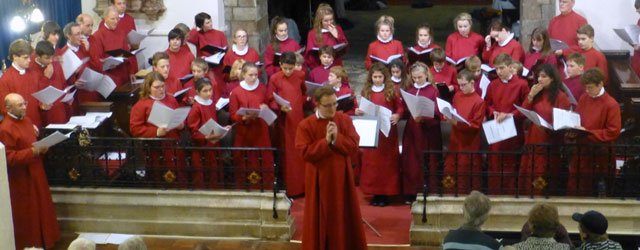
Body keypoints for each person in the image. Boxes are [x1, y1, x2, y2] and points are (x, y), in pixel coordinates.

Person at [295, 86, 367, 250]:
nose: (333, 108)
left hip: (342, 178)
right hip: (318, 179)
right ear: (317, 105)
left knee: (343, 217)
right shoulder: (306, 125)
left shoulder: (344, 120)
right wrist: (325, 142)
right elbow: (304, 153)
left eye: (335, 104)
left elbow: (354, 146)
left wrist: (336, 139)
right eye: (328, 105)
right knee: (320, 218)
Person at [0, 93, 60, 249]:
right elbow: (9, 158)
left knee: (43, 208)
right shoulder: (5, 129)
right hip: (22, 179)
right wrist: (33, 152)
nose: (25, 107)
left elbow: (33, 144)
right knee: (30, 214)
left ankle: (46, 241)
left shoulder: (27, 120)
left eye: (24, 103)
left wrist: (42, 148)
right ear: (8, 108)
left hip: (36, 171)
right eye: (20, 105)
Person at [567, 69, 621, 196]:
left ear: (600, 84)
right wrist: (572, 130)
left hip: (599, 155)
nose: (587, 91)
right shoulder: (584, 98)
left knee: (591, 191)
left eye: (590, 87)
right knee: (576, 188)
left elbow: (613, 131)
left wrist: (588, 132)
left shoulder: (611, 104)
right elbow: (577, 118)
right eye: (585, 87)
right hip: (581, 150)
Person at [355, 63, 403, 206]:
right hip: (372, 130)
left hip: (387, 132)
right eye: (374, 77)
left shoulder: (391, 90)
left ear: (385, 77)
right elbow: (362, 107)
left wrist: (397, 115)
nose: (377, 79)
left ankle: (385, 194)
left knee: (387, 163)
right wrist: (359, 111)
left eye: (380, 77)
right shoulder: (367, 91)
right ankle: (375, 193)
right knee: (372, 164)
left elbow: (400, 107)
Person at [519, 64, 571, 195]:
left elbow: (563, 120)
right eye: (538, 76)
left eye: (544, 76)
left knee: (542, 174)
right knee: (529, 171)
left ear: (552, 78)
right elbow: (523, 112)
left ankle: (540, 198)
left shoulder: (561, 96)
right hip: (533, 137)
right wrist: (530, 95)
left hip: (548, 139)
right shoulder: (536, 92)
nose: (540, 79)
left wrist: (549, 125)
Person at [129, 72, 186, 185]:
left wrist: (181, 125)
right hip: (155, 149)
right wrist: (156, 131)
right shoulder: (141, 105)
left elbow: (179, 117)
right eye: (156, 87)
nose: (161, 90)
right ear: (148, 87)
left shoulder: (171, 99)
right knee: (161, 179)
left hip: (174, 145)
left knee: (178, 176)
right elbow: (135, 129)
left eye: (162, 86)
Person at [484, 53, 529, 195]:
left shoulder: (522, 84)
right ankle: (494, 194)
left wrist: (510, 115)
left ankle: (510, 195)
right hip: (497, 129)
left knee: (510, 165)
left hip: (513, 131)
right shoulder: (493, 84)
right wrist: (493, 112)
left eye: (502, 68)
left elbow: (526, 108)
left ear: (511, 67)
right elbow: (487, 104)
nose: (498, 72)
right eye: (496, 69)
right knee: (494, 164)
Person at [228, 62, 274, 189]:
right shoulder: (236, 92)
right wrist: (243, 117)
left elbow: (268, 106)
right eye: (250, 75)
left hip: (260, 131)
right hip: (244, 132)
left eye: (256, 75)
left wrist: (265, 108)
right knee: (245, 162)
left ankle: (265, 188)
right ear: (243, 74)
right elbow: (232, 114)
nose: (254, 78)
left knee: (262, 160)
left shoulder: (263, 88)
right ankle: (245, 189)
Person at [401, 62, 442, 203]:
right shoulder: (411, 90)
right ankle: (411, 191)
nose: (417, 80)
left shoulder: (433, 91)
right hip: (412, 129)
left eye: (419, 77)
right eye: (414, 78)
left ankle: (427, 190)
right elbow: (406, 109)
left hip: (427, 131)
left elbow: (437, 113)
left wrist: (424, 118)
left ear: (426, 75)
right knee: (411, 160)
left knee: (427, 160)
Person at [268, 52, 306, 197]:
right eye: (286, 68)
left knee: (299, 152)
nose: (289, 71)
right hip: (284, 120)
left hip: (298, 118)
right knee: (287, 154)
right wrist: (279, 107)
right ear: (280, 65)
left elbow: (303, 93)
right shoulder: (274, 78)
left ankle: (302, 186)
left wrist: (305, 99)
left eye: (291, 68)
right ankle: (290, 187)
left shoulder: (300, 75)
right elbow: (270, 99)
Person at [442, 70, 486, 194]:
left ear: (472, 83)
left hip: (469, 143)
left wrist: (455, 122)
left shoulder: (479, 101)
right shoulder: (457, 95)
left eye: (463, 85)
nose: (460, 88)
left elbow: (475, 126)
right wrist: (447, 115)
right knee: (451, 172)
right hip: (455, 140)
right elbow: (454, 112)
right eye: (459, 85)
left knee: (466, 175)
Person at [186, 78, 228, 189]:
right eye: (205, 91)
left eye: (210, 90)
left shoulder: (211, 103)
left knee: (215, 174)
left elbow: (213, 123)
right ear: (197, 92)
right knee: (203, 176)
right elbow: (193, 131)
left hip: (213, 145)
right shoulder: (196, 108)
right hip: (201, 148)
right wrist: (205, 137)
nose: (209, 93)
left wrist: (222, 129)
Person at [0, 39, 47, 128]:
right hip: (20, 127)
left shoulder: (34, 74)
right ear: (15, 57)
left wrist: (43, 104)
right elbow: (6, 110)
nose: (29, 60)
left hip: (38, 123)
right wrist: (27, 125)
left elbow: (39, 97)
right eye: (25, 57)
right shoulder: (5, 80)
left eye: (30, 57)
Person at [89, 6, 134, 87]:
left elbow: (127, 53)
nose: (116, 21)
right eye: (113, 19)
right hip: (110, 77)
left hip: (123, 73)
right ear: (105, 19)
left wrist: (131, 72)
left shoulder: (121, 32)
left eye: (117, 19)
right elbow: (97, 60)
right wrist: (108, 64)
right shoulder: (98, 36)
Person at [31, 41, 69, 125]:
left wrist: (68, 95)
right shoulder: (31, 69)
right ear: (38, 56)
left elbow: (63, 84)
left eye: (52, 57)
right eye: (47, 58)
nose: (50, 61)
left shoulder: (55, 64)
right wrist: (46, 77)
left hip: (60, 110)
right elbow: (34, 93)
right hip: (46, 114)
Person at [188, 12, 228, 85]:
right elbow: (190, 39)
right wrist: (195, 27)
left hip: (218, 66)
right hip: (204, 67)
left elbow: (225, 49)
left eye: (211, 21)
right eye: (207, 23)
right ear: (201, 25)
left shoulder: (220, 34)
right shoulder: (198, 35)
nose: (211, 24)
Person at [304, 3, 348, 70]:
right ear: (320, 21)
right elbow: (309, 55)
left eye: (331, 20)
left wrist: (337, 36)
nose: (329, 23)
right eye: (326, 21)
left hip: (335, 66)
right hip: (318, 66)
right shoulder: (312, 33)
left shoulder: (338, 29)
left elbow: (345, 49)